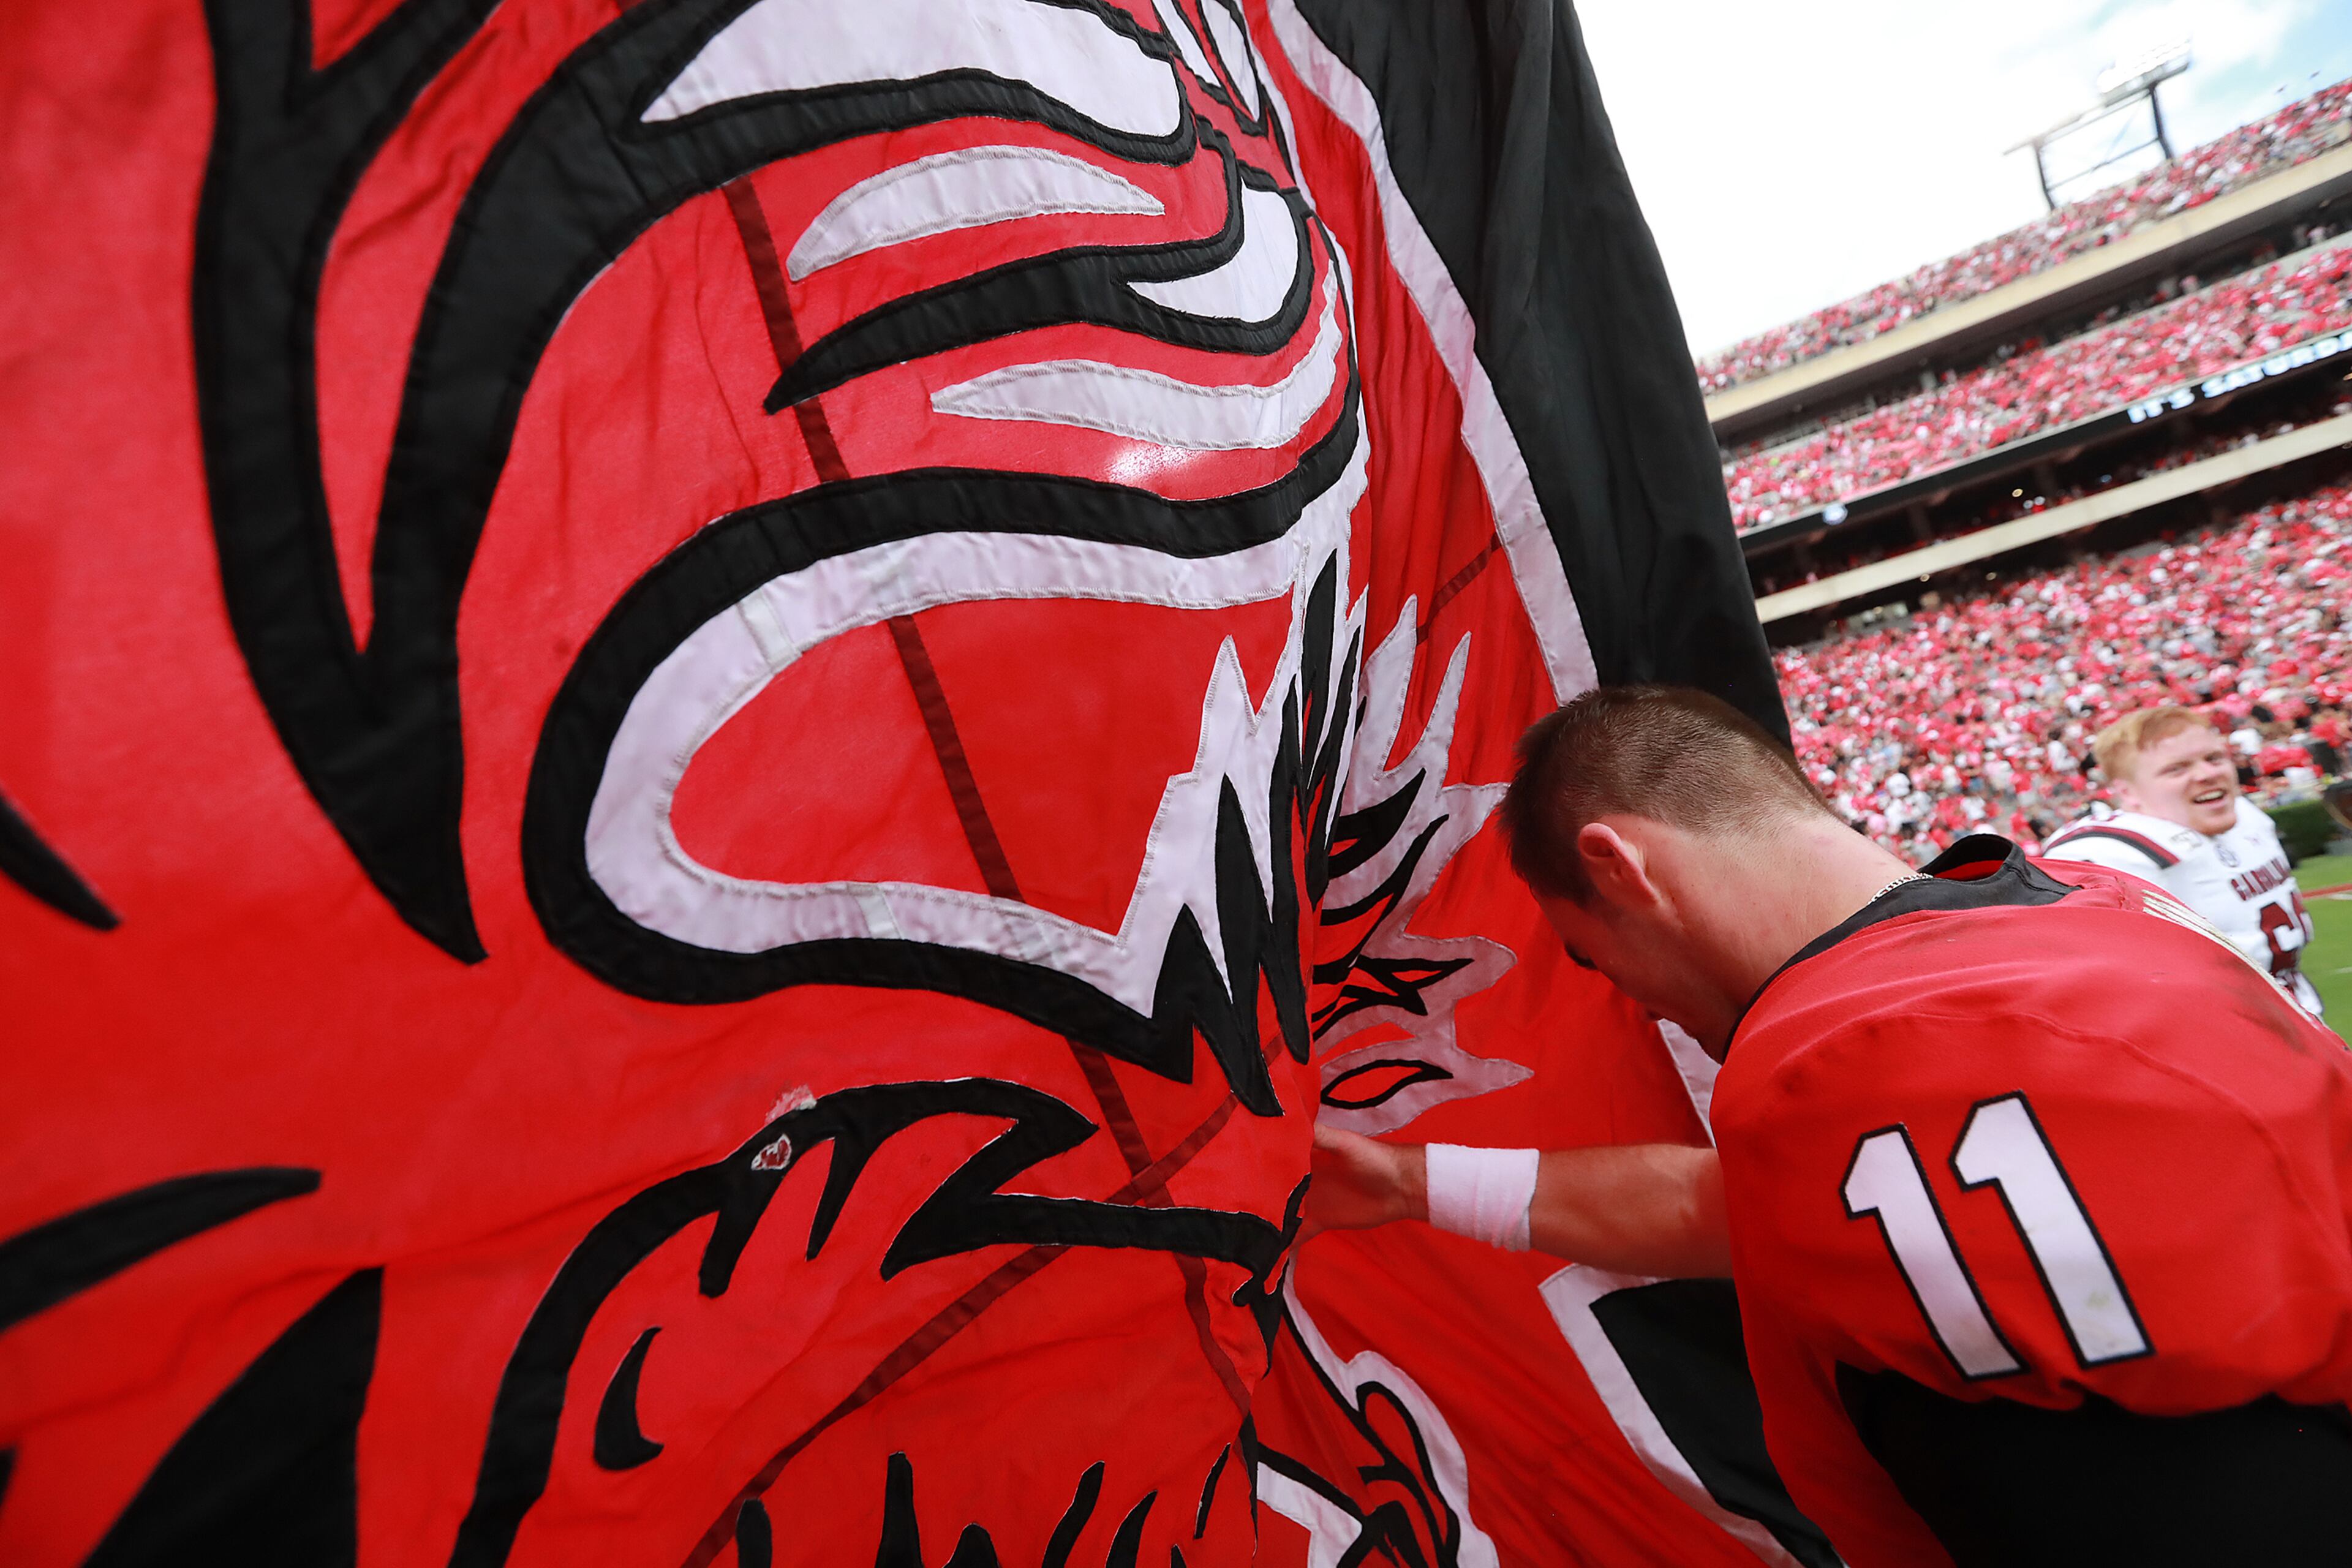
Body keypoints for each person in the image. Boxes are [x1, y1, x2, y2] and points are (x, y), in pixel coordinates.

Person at [1306, 685, 2352, 1568]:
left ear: (1623, 868)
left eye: (1594, 954)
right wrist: (1405, 1184)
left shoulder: (1841, 1057)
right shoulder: (2087, 900)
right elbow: (1739, 1209)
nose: (1633, 998)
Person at [2041, 706, 2323, 1019]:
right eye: (2176, 769)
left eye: (2214, 758)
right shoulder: (2110, 854)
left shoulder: (2246, 817)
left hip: (2298, 1012)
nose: (2207, 774)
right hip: (2222, 1038)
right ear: (2126, 791)